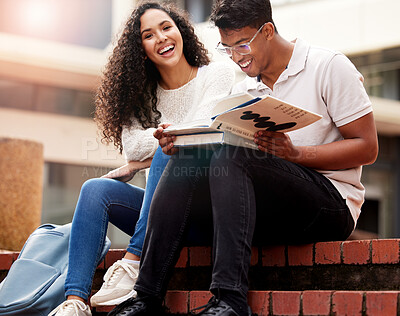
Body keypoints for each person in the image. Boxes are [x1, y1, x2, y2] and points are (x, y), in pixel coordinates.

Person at [107, 0, 379, 315]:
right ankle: (147, 298)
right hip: (268, 209)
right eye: (227, 49)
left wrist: (295, 153)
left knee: (231, 158)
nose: (237, 57)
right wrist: (184, 143)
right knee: (185, 159)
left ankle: (230, 300)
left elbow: (367, 147)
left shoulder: (328, 66)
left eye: (242, 45)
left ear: (267, 31)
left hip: (331, 206)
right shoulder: (245, 91)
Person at [48, 2, 235, 316]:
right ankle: (76, 301)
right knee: (95, 189)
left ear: (181, 31)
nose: (160, 38)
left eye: (166, 27)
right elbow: (132, 147)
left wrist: (151, 152)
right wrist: (148, 153)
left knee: (170, 147)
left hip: (204, 210)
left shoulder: (217, 73)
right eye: (148, 35)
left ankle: (133, 262)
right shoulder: (142, 95)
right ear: (141, 49)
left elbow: (198, 130)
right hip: (158, 216)